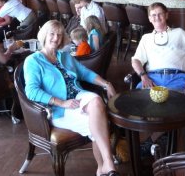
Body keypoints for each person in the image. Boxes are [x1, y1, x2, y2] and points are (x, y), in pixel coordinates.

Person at [23, 20, 119, 176]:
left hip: (77, 96)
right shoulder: (33, 61)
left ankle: (106, 165)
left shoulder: (64, 56)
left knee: (96, 100)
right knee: (100, 122)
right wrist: (62, 102)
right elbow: (31, 91)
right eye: (52, 34)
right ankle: (104, 167)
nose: (55, 38)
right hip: (57, 109)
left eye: (59, 35)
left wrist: (107, 84)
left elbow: (85, 73)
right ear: (44, 35)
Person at [131, 2, 185, 91]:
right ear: (150, 19)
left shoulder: (179, 33)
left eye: (160, 14)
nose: (157, 17)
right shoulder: (146, 38)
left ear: (166, 15)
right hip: (152, 78)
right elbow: (136, 60)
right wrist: (144, 77)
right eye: (153, 15)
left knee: (178, 102)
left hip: (177, 77)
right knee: (140, 100)